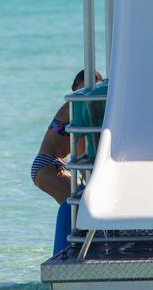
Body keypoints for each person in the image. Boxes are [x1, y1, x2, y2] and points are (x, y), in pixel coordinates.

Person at [31, 70, 103, 204]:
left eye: (95, 87)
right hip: (48, 165)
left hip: (58, 165)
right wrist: (91, 181)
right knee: (81, 205)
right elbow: (80, 151)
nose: (90, 91)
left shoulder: (84, 107)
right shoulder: (74, 107)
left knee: (80, 203)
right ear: (74, 88)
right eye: (85, 87)